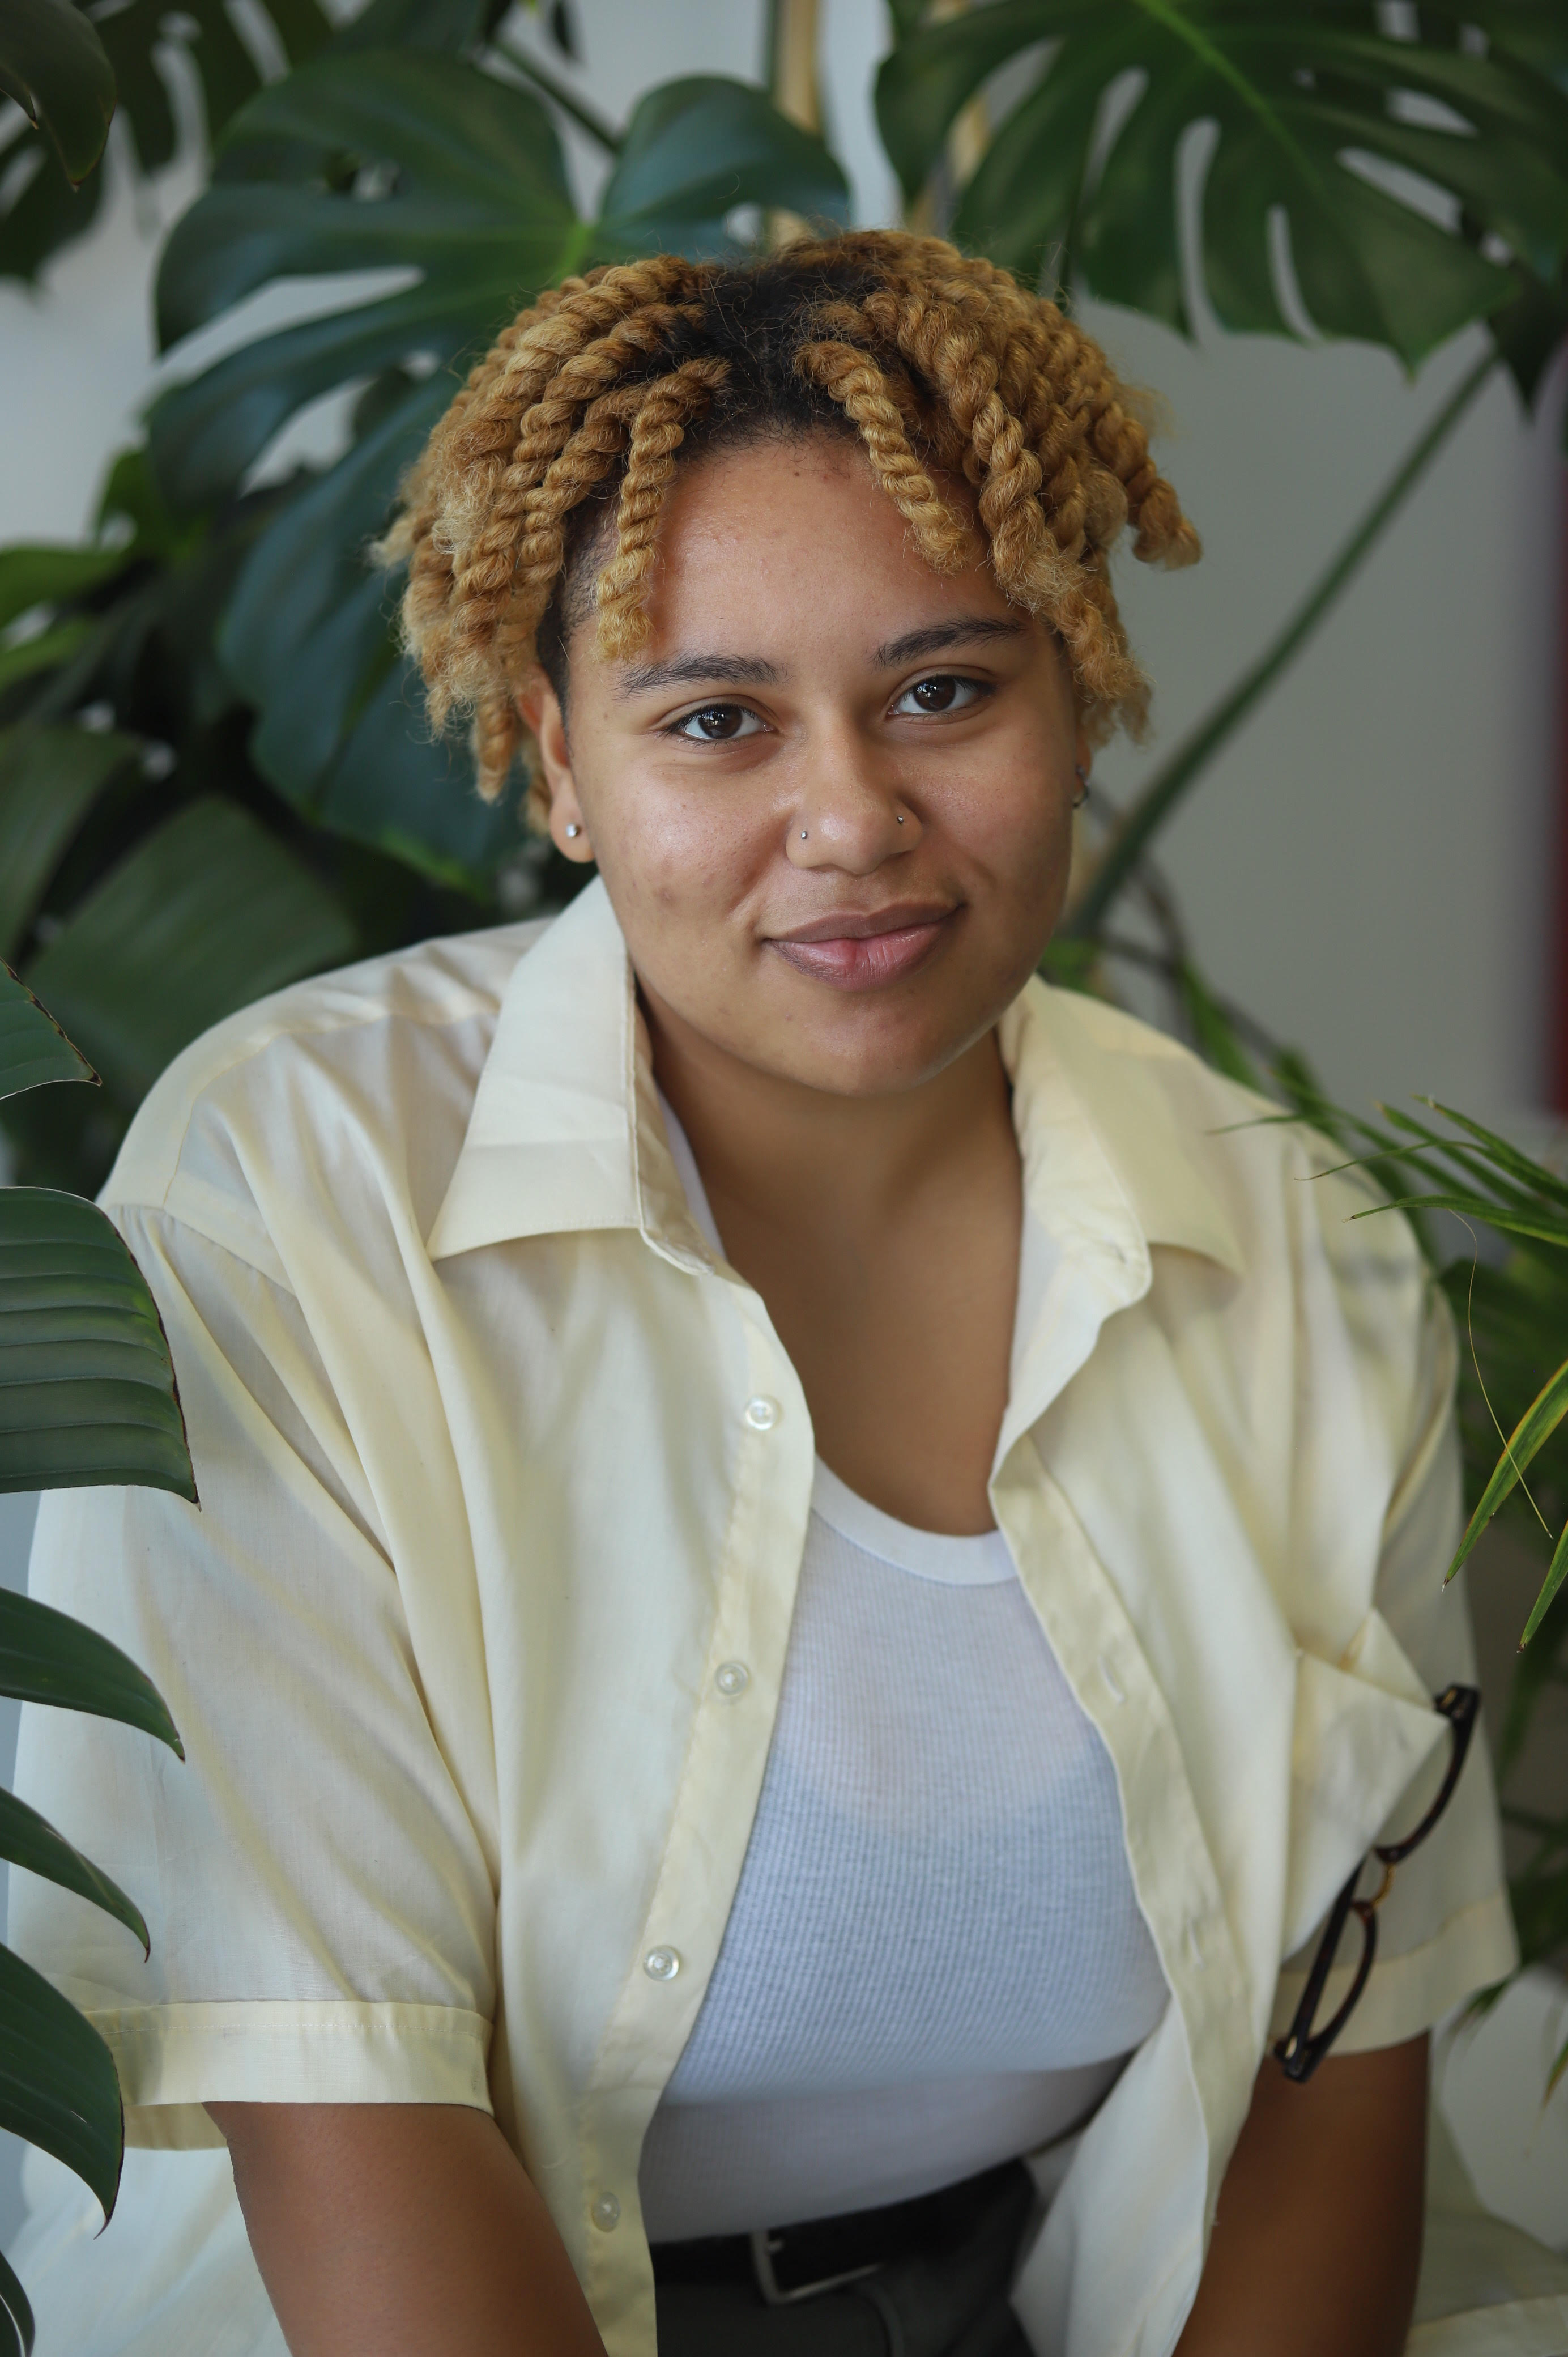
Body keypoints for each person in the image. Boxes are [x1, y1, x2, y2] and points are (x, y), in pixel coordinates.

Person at [9, 232, 1514, 2357]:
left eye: (944, 690)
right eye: (716, 719)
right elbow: (345, 2112)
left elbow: (1334, 2068)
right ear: (553, 762)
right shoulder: (297, 1197)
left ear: (1078, 689)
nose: (849, 821)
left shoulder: (1299, 1256)